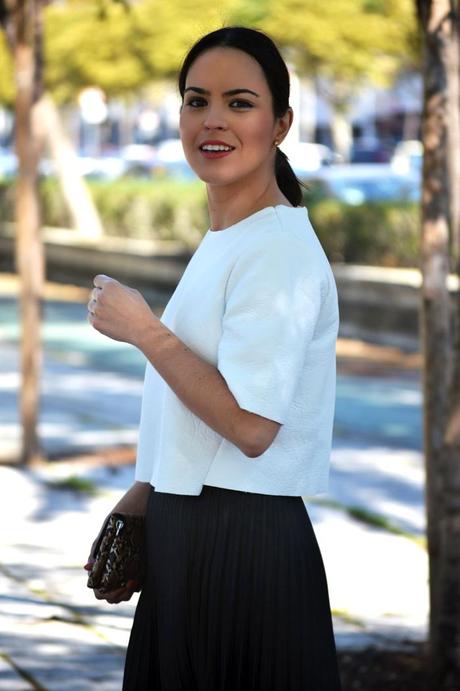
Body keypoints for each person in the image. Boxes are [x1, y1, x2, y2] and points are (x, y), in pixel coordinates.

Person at [84, 25, 342, 691]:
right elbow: (199, 402)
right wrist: (147, 492)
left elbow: (253, 427)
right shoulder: (232, 237)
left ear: (281, 122)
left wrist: (147, 331)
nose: (214, 120)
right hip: (193, 530)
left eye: (240, 102)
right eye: (197, 101)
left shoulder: (276, 249)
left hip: (243, 546)